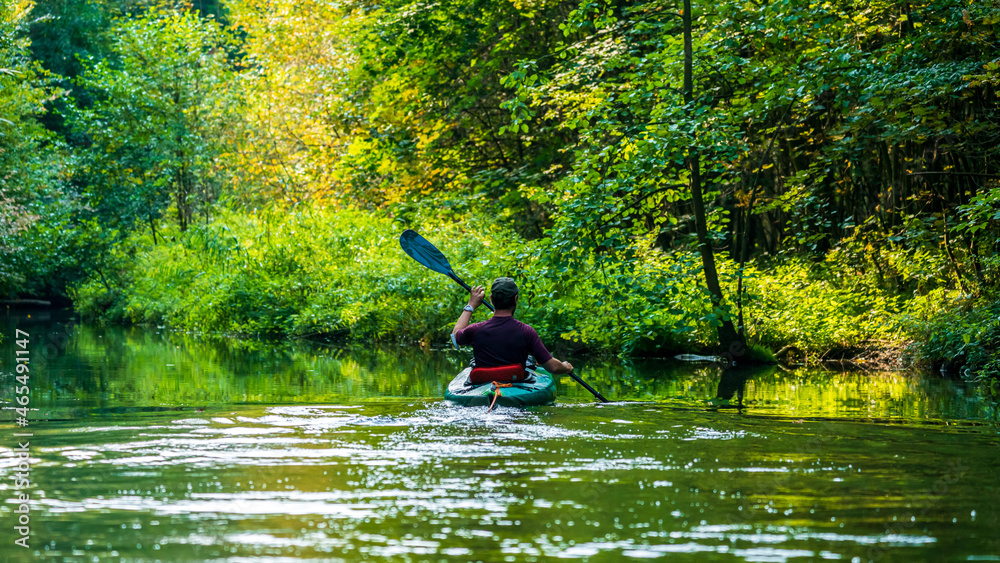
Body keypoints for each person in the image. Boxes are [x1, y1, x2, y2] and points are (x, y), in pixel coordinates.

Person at [452, 277, 573, 375]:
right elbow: (553, 368)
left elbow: (455, 336)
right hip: (515, 383)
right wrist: (565, 367)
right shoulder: (526, 332)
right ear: (516, 299)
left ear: (491, 299)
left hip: (481, 385)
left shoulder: (475, 330)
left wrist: (470, 305)